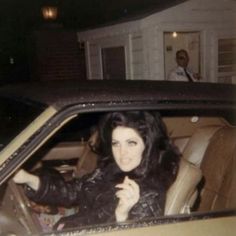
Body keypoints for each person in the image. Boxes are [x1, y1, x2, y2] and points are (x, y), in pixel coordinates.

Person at [13, 111, 180, 230]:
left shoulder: (149, 194)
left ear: (147, 145)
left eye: (131, 143)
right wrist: (28, 179)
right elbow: (76, 190)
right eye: (116, 143)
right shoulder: (112, 168)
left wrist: (122, 216)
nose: (122, 154)